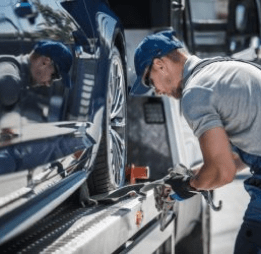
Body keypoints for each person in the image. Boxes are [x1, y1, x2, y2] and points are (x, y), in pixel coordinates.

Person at [130, 30, 261, 253]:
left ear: (160, 65)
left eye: (151, 82)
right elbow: (243, 155)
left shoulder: (195, 93)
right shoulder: (222, 68)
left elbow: (222, 172)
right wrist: (195, 176)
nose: (158, 91)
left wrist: (186, 187)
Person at [0, 40, 73, 108]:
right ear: (44, 62)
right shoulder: (10, 83)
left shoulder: (13, 73)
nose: (48, 84)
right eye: (53, 77)